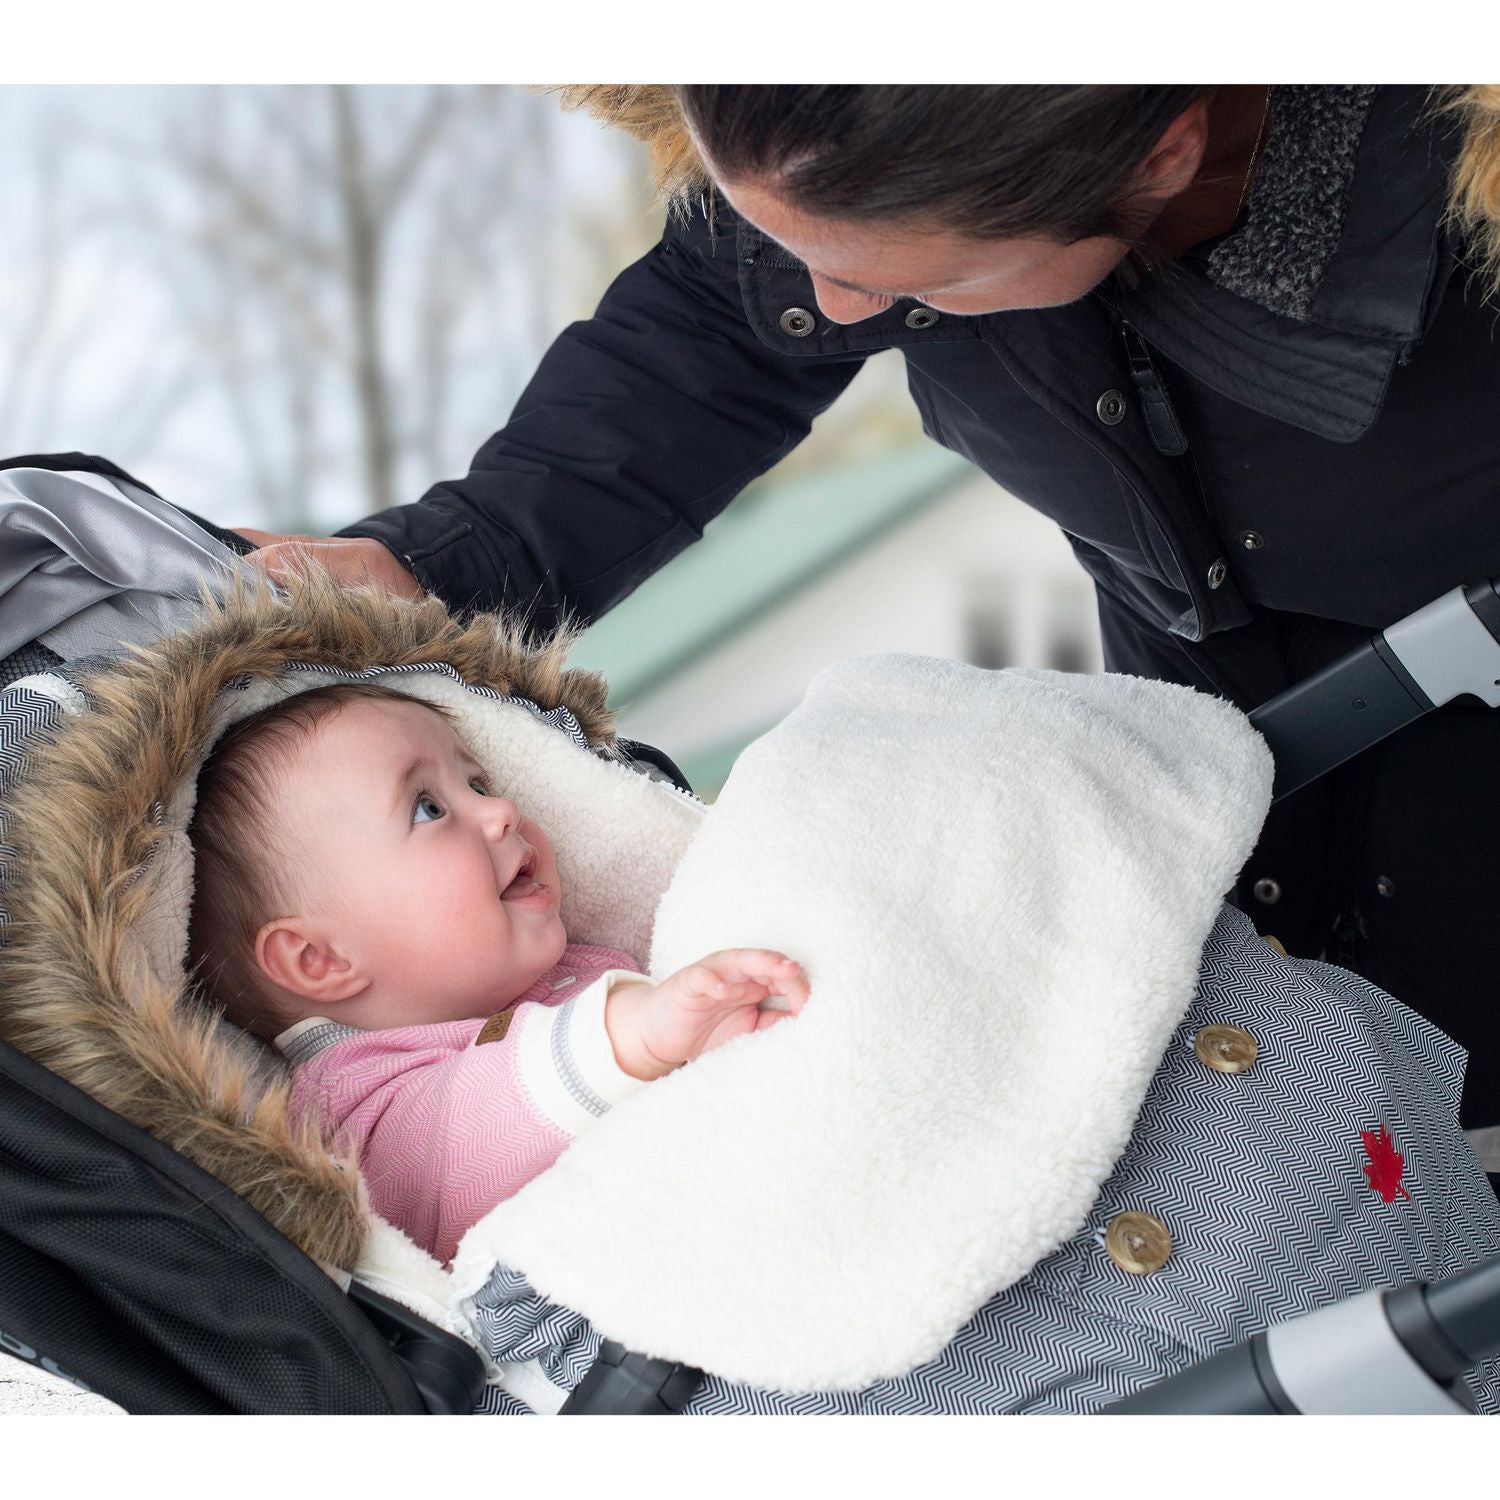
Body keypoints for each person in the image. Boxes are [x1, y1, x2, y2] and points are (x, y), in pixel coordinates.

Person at [237, 85, 1500, 1137]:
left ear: (1165, 158)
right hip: (1202, 734)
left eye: (910, 286)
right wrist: (439, 563)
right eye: (799, 258)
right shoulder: (848, 133)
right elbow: (713, 341)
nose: (830, 313)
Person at [186, 680, 808, 1263]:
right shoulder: (354, 1108)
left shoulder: (564, 965)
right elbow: (457, 1146)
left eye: (477, 783)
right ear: (321, 960)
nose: (503, 810)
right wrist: (629, 1038)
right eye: (428, 809)